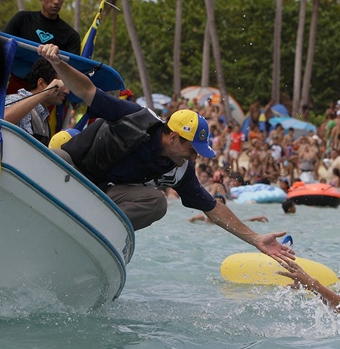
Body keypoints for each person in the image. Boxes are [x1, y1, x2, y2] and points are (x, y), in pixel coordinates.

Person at [38, 44, 293, 263]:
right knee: (54, 158)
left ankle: (93, 235)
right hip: (72, 169)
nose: (194, 157)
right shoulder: (136, 118)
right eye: (191, 150)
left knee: (157, 202)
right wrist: (57, 63)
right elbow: (87, 91)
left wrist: (256, 239)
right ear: (172, 136)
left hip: (104, 193)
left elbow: (213, 208)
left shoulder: (181, 170)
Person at [4, 58, 69, 145]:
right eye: (61, 85)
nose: (67, 91)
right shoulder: (16, 99)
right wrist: (46, 93)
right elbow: (1, 120)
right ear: (41, 84)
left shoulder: (44, 118)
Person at [4, 0, 81, 54]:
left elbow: (72, 71)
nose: (56, 1)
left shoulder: (71, 36)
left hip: (51, 74)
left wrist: (58, 60)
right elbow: (1, 47)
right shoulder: (22, 19)